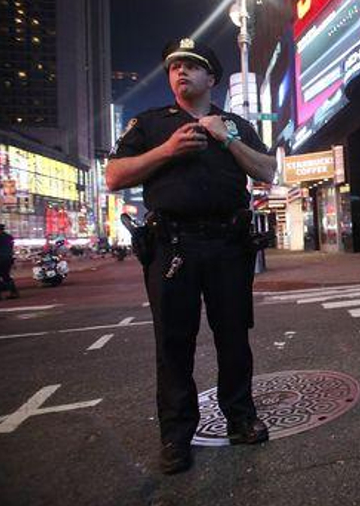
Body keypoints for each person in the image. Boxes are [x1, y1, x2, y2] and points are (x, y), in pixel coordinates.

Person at [105, 38, 276, 474]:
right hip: (172, 246)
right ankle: (177, 437)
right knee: (173, 343)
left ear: (211, 77)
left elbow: (267, 171)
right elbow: (113, 176)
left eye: (192, 65)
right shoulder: (151, 124)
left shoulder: (234, 124)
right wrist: (167, 151)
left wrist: (227, 140)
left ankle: (240, 418)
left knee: (233, 336)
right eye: (173, 66)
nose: (180, 72)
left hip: (227, 245)